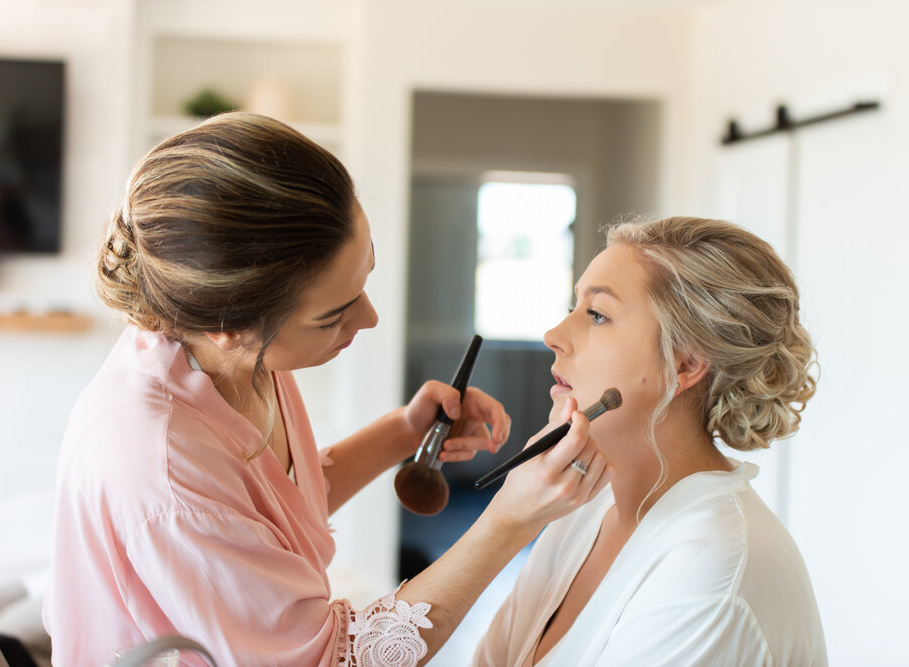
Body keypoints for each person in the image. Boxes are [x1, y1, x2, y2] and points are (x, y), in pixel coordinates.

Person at [42, 112, 611, 667]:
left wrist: (404, 431)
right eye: (333, 315)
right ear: (233, 325)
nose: (369, 318)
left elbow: (268, 511)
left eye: (366, 275)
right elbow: (329, 660)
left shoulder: (226, 358)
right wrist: (509, 519)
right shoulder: (160, 464)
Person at [473, 216, 827, 666]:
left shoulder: (711, 564)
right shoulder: (585, 505)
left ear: (684, 364)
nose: (554, 336)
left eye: (597, 315)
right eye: (573, 307)